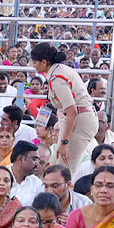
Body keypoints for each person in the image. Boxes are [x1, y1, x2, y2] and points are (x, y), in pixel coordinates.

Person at [30, 42, 100, 170]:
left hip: (79, 120)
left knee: (64, 169)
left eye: (34, 62)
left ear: (44, 62)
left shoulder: (57, 78)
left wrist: (64, 142)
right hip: (79, 118)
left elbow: (72, 111)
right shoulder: (61, 70)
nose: (33, 65)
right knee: (60, 166)